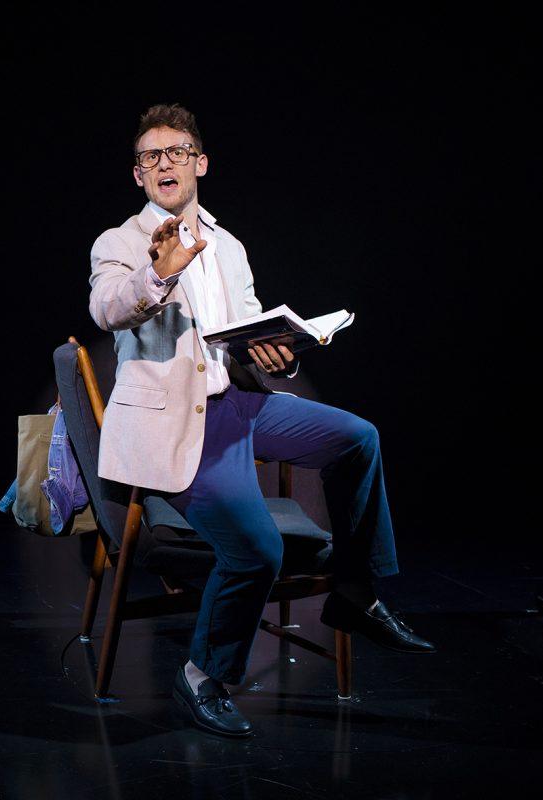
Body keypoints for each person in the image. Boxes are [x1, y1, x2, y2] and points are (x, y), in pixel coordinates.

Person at [88, 104, 434, 738]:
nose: (165, 163)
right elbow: (108, 308)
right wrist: (158, 272)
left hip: (239, 403)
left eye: (177, 152)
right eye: (150, 157)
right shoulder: (120, 243)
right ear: (138, 176)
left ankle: (354, 595)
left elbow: (239, 330)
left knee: (358, 438)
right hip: (180, 426)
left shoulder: (229, 245)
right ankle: (203, 676)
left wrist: (271, 349)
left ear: (200, 163)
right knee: (256, 548)